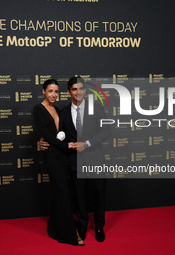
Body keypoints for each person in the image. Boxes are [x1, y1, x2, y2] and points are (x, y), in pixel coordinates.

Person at [40, 77, 111, 242]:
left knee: (99, 194)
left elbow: (106, 131)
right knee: (79, 197)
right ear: (68, 92)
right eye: (74, 89)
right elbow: (57, 135)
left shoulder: (97, 108)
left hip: (96, 160)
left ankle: (99, 226)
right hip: (75, 162)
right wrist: (42, 140)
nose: (78, 92)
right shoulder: (62, 113)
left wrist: (86, 144)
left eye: (81, 89)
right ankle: (83, 225)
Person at [33, 79, 85, 246]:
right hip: (52, 157)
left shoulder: (57, 109)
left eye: (56, 92)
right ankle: (70, 234)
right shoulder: (38, 109)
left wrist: (66, 145)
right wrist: (65, 145)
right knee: (63, 194)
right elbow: (46, 135)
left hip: (63, 156)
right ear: (43, 91)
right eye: (50, 91)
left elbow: (62, 132)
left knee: (60, 193)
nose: (53, 95)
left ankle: (54, 227)